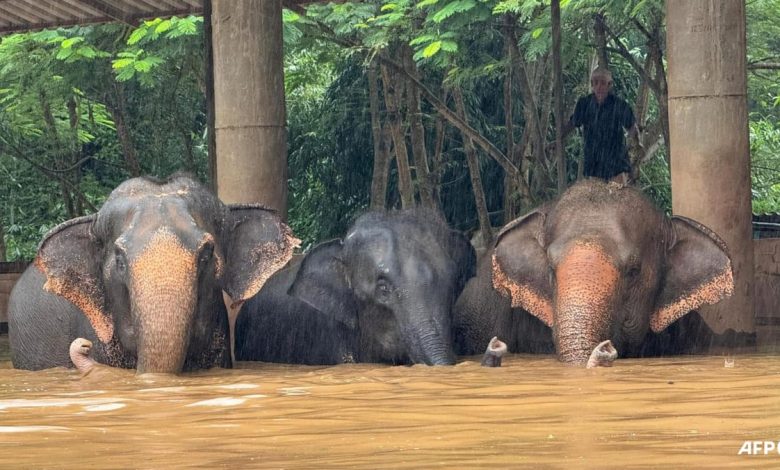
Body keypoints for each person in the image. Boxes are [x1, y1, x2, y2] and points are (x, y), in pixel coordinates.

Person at [560, 67, 640, 184]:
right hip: (594, 164)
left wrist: (636, 146)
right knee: (596, 199)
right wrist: (559, 138)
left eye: (603, 83)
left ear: (609, 85)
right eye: (595, 82)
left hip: (616, 163)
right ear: (592, 84)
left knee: (618, 198)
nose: (599, 86)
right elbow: (573, 123)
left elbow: (632, 128)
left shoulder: (619, 105)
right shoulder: (584, 104)